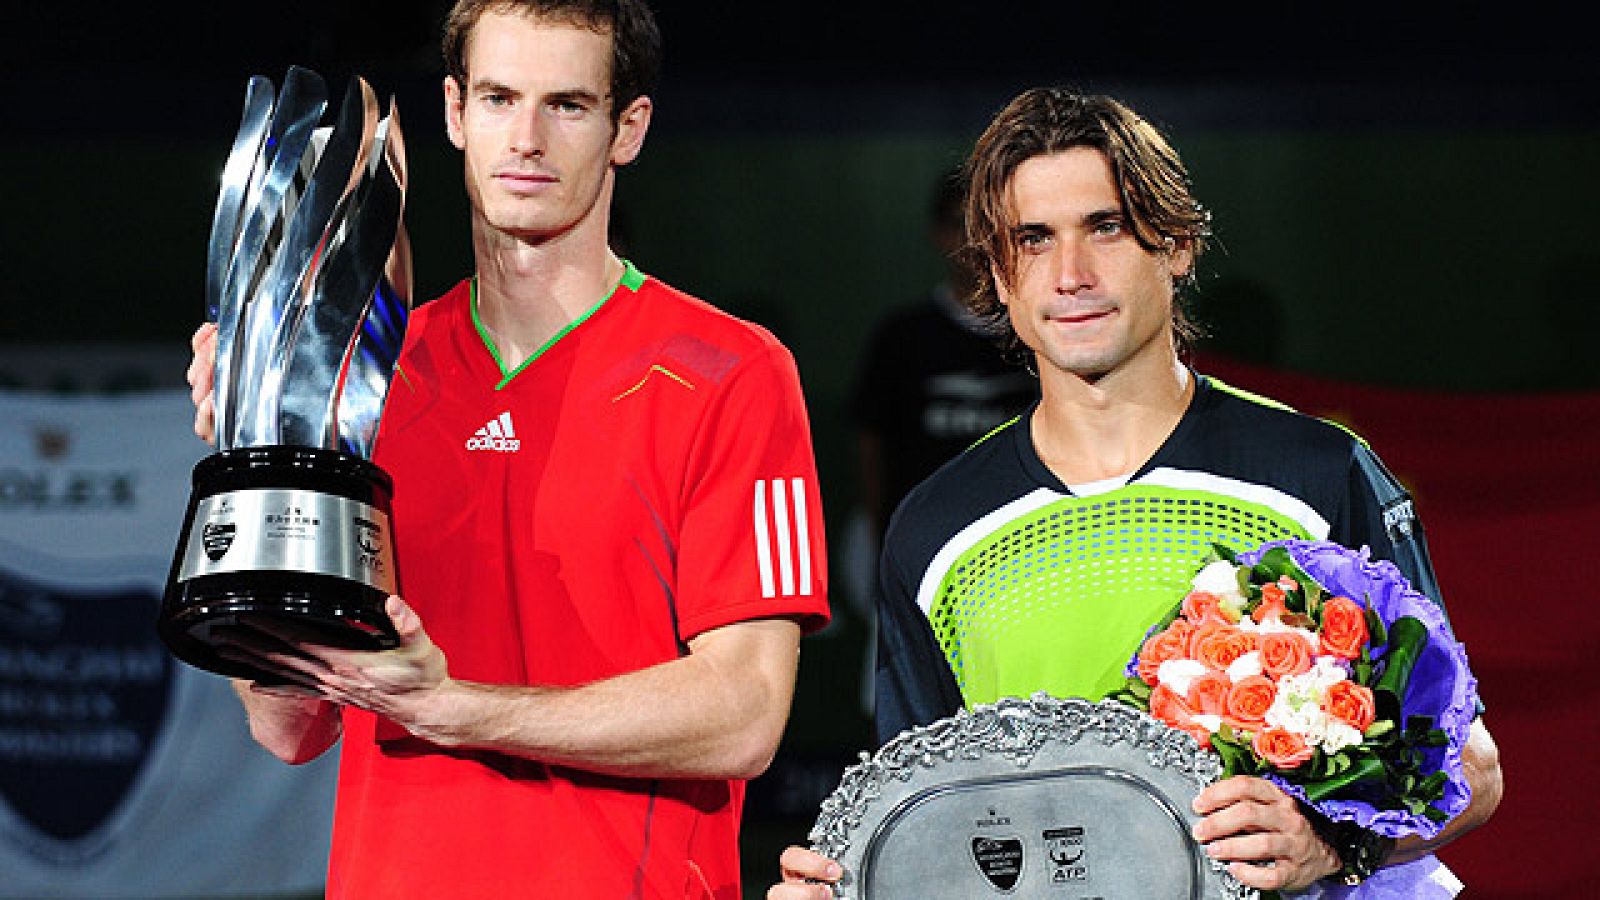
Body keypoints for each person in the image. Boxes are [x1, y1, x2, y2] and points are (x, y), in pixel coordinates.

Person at [771, 88, 1501, 897]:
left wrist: (1333, 845)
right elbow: (928, 827)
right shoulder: (934, 529)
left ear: (1179, 245)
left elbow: (1470, 768)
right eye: (1034, 240)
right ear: (997, 277)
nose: (1071, 275)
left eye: (1106, 226)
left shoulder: (1318, 474)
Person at [188, 2, 829, 897]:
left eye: (566, 104)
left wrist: (455, 710)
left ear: (627, 128)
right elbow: (290, 729)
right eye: (498, 98)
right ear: (454, 112)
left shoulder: (731, 370)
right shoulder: (364, 379)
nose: (525, 138)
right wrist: (264, 461)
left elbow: (746, 716)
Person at [849, 167, 1036, 545]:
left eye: (984, 225)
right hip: (923, 542)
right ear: (936, 232)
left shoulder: (1040, 330)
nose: (971, 240)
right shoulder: (902, 337)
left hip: (1028, 543)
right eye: (957, 224)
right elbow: (872, 443)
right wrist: (880, 535)